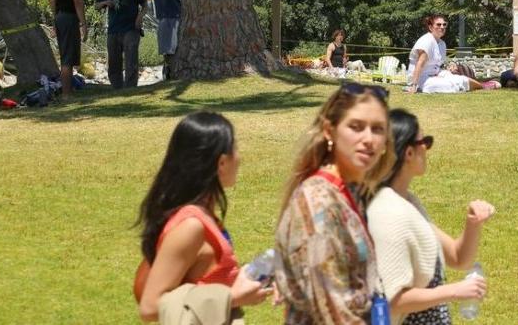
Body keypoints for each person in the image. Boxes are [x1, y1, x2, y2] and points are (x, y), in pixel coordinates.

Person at [134, 111, 271, 323]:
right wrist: (233, 298)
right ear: (222, 163)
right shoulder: (191, 226)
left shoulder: (204, 216)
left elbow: (202, 283)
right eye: (235, 148)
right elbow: (150, 307)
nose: (240, 157)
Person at [276, 82, 394, 325]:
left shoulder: (349, 191)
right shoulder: (318, 203)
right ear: (330, 131)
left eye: (378, 129)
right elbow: (334, 313)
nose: (368, 139)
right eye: (356, 127)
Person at [368, 109, 492, 324]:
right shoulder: (388, 214)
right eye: (425, 142)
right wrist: (454, 291)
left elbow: (457, 257)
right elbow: (392, 300)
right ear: (408, 153)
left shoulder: (408, 203)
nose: (427, 149)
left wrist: (473, 223)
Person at [50, 0, 86, 97]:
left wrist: (55, 18)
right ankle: (66, 94)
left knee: (66, 55)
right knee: (68, 58)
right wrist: (83, 23)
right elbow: (77, 1)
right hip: (69, 17)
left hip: (59, 17)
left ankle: (67, 91)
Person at [95, 0, 147, 89]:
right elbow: (96, 6)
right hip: (113, 29)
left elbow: (145, 5)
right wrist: (105, 2)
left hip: (131, 28)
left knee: (131, 57)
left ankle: (130, 87)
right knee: (114, 59)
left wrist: (140, 16)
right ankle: (116, 86)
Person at [407, 15, 450, 94]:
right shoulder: (427, 41)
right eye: (438, 24)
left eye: (444, 24)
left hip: (434, 75)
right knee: (449, 84)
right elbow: (420, 64)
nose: (442, 27)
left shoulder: (442, 44)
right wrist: (413, 85)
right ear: (430, 27)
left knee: (453, 77)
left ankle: (479, 85)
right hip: (421, 78)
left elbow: (437, 64)